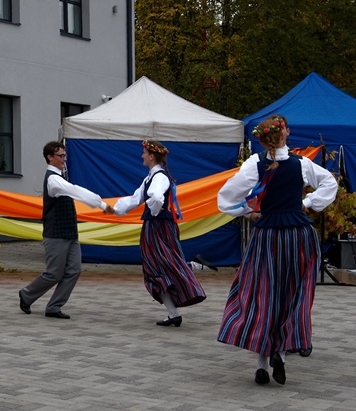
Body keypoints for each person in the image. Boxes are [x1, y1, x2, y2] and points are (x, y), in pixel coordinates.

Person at [217, 114, 336, 385]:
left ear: (263, 137)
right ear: (286, 134)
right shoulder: (302, 164)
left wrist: (248, 212)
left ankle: (261, 363)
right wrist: (307, 203)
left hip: (268, 236)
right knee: (291, 294)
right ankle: (280, 352)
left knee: (262, 295)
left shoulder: (254, 164)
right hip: (298, 236)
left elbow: (225, 198)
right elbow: (330, 183)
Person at [106, 140, 206, 327]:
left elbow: (157, 197)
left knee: (160, 266)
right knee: (157, 267)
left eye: (144, 152)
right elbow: (137, 198)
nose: (142, 156)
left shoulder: (159, 177)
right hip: (155, 226)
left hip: (159, 227)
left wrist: (154, 210)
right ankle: (173, 312)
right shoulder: (151, 177)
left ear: (152, 156)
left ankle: (194, 268)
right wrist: (115, 209)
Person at [18, 141, 111, 320]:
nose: (64, 159)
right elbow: (75, 191)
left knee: (74, 270)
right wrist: (99, 203)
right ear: (49, 157)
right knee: (54, 273)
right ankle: (27, 294)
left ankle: (54, 306)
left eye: (64, 155)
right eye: (60, 156)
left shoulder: (60, 176)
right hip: (55, 234)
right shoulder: (53, 180)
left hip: (69, 232)